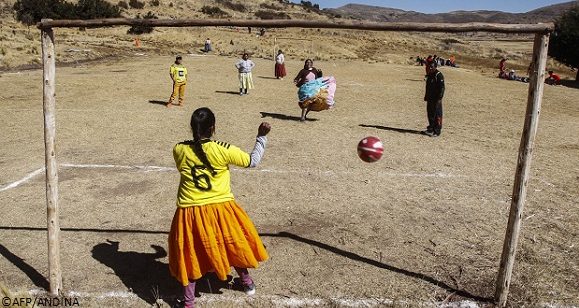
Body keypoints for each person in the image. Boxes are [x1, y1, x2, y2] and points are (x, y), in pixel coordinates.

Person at [168, 107, 271, 308]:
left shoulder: (178, 149)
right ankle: (247, 283)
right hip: (221, 209)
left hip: (190, 212)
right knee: (232, 244)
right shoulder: (223, 149)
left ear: (191, 127)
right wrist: (261, 137)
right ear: (213, 128)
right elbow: (252, 161)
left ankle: (188, 303)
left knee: (190, 255)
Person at [423, 62, 444, 137]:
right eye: (429, 67)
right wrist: (426, 96)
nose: (430, 68)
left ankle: (437, 131)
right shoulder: (430, 75)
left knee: (437, 114)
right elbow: (428, 86)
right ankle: (431, 129)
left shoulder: (438, 75)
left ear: (435, 67)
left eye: (432, 67)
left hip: (436, 99)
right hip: (430, 98)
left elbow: (442, 88)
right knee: (430, 114)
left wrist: (439, 98)